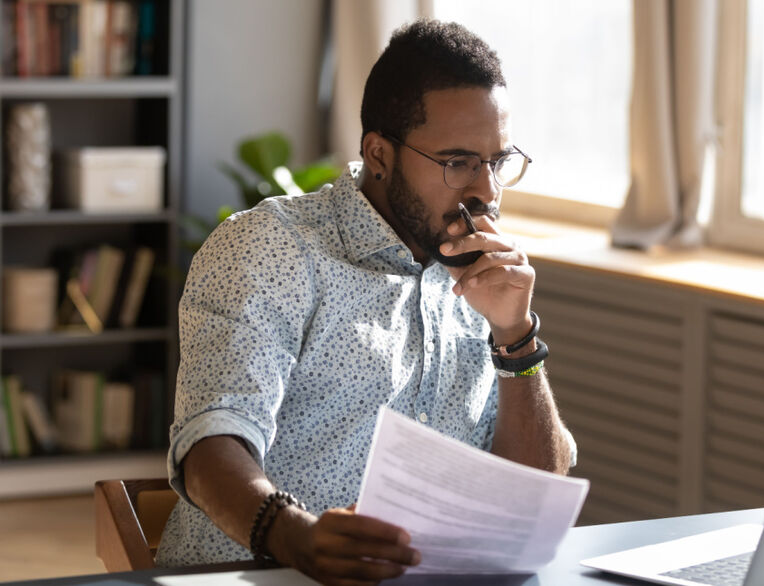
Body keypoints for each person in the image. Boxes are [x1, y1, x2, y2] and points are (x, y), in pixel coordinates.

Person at [156, 18, 576, 585]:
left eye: (496, 162)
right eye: (457, 163)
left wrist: (514, 335)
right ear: (379, 154)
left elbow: (534, 497)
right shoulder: (273, 248)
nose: (487, 192)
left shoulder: (484, 279)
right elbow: (211, 443)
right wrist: (295, 538)